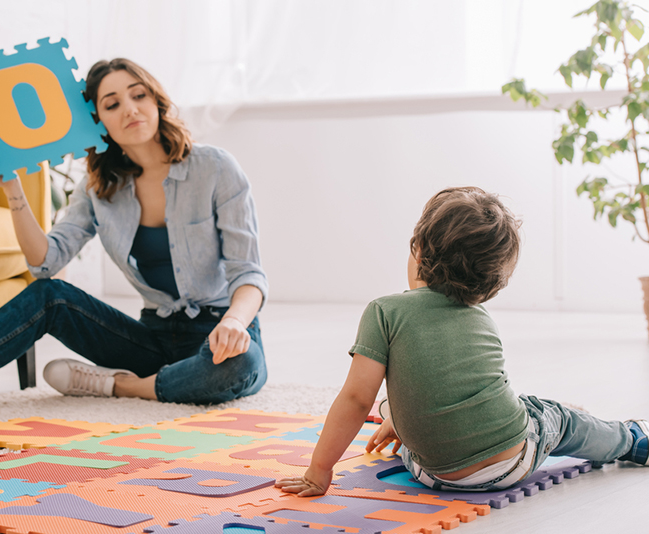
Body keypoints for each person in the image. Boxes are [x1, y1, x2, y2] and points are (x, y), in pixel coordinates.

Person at [0, 58, 268, 419]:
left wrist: (233, 322)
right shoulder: (99, 190)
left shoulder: (215, 168)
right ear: (96, 121)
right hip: (153, 337)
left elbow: (248, 274)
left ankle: (121, 387)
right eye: (112, 104)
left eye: (138, 95)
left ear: (156, 100)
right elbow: (45, 264)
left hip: (222, 333)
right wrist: (11, 189)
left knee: (239, 365)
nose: (130, 109)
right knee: (51, 294)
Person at [275, 186, 647, 497]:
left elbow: (357, 398)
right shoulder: (481, 317)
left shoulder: (383, 311)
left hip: (433, 474)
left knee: (389, 400)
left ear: (418, 251)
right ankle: (630, 440)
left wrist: (318, 471)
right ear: (491, 280)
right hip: (512, 461)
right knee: (559, 418)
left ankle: (397, 423)